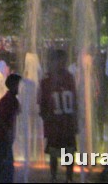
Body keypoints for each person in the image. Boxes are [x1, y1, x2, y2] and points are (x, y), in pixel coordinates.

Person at [39, 49, 77, 184]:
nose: (62, 64)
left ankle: (69, 177)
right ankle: (54, 176)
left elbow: (75, 101)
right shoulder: (47, 80)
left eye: (63, 61)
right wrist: (46, 120)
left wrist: (75, 121)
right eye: (59, 60)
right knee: (54, 153)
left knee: (69, 152)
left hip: (67, 123)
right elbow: (42, 104)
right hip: (55, 124)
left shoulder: (69, 78)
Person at [0, 73, 22, 183]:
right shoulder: (9, 100)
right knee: (4, 163)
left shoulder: (12, 99)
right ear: (13, 85)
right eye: (18, 84)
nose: (20, 87)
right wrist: (8, 131)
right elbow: (0, 117)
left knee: (4, 163)